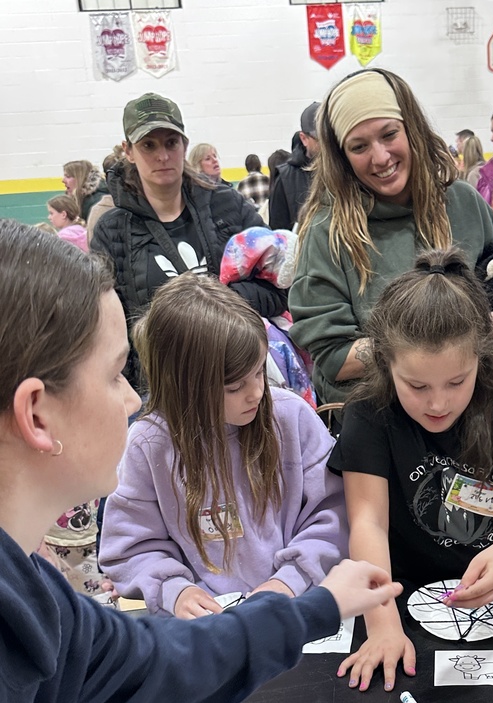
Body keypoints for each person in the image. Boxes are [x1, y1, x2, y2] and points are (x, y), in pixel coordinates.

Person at [0, 217, 401, 703]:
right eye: (116, 375)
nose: (134, 400)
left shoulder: (34, 598)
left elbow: (156, 662)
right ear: (38, 413)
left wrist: (312, 605)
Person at [329, 248, 493, 690]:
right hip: (402, 592)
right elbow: (368, 521)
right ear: (386, 364)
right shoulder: (370, 412)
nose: (438, 403)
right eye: (416, 385)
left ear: (481, 359)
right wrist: (383, 624)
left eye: (456, 382)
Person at [100, 273, 347, 617]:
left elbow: (335, 515)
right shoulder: (149, 444)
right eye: (234, 387)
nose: (256, 392)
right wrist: (175, 590)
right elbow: (130, 549)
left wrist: (290, 579)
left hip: (297, 607)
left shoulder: (291, 416)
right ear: (184, 385)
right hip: (209, 626)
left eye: (259, 372)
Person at [290, 68, 493, 409]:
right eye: (359, 146)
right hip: (379, 420)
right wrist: (436, 350)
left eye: (389, 134)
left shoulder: (463, 204)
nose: (380, 158)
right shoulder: (328, 232)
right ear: (342, 157)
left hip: (477, 412)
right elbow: (334, 357)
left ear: (411, 129)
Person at [91, 92, 286, 389]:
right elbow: (109, 328)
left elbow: (279, 288)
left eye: (171, 142)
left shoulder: (227, 205)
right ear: (128, 151)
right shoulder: (112, 230)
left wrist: (221, 302)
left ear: (184, 144)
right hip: (161, 390)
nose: (162, 156)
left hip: (236, 379)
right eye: (148, 145)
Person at [269, 102, 320, 230]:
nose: (327, 143)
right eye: (320, 138)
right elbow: (279, 231)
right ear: (304, 138)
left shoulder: (346, 170)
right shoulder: (285, 179)